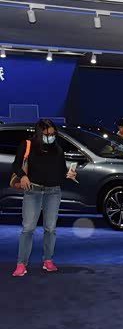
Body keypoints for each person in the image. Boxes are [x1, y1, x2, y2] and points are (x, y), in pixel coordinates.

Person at [11, 119, 78, 277]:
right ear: (39, 133)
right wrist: (23, 176)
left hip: (53, 192)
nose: (50, 137)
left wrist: (69, 175)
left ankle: (48, 260)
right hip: (32, 190)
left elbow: (60, 171)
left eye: (53, 134)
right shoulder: (27, 145)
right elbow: (16, 165)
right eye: (47, 134)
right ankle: (21, 263)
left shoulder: (58, 149)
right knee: (28, 228)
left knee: (50, 228)